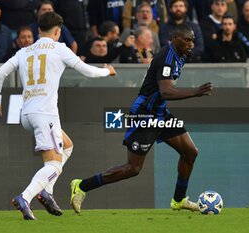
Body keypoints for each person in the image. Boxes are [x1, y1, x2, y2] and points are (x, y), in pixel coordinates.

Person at [69, 24, 213, 214]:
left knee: (190, 152)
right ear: (174, 38)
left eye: (193, 40)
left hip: (160, 113)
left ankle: (179, 200)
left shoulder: (181, 55)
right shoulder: (166, 58)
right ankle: (81, 186)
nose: (191, 44)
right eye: (187, 40)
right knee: (133, 168)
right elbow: (166, 91)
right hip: (145, 114)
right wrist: (195, 92)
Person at [0, 11, 116, 220]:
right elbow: (88, 71)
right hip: (45, 114)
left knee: (67, 146)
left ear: (39, 31)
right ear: (57, 32)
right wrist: (107, 71)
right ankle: (25, 197)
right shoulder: (60, 49)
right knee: (54, 165)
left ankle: (47, 192)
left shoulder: (24, 51)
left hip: (27, 113)